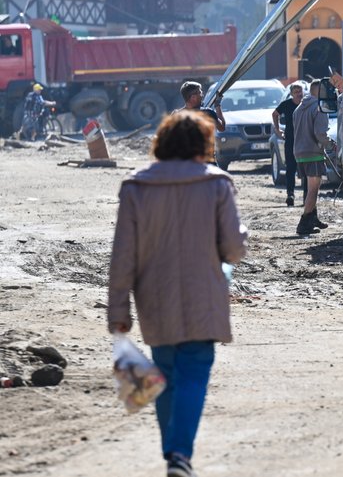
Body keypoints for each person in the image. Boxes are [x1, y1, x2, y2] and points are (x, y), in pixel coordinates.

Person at [107, 110, 247, 477]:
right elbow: (233, 250)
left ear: (162, 143)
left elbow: (123, 257)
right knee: (194, 374)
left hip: (154, 300)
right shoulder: (217, 185)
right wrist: (240, 237)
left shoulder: (136, 188)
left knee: (165, 373)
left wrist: (118, 311)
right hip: (204, 297)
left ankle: (174, 454)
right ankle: (179, 455)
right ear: (204, 145)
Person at [293, 80, 332, 235]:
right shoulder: (319, 108)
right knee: (313, 190)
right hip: (313, 153)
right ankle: (303, 224)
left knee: (311, 187)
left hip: (300, 153)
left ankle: (313, 218)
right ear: (320, 91)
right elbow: (320, 134)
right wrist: (330, 144)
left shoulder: (298, 108)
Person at [272, 81, 305, 207]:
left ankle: (306, 196)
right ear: (291, 94)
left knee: (305, 169)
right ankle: (290, 194)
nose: (298, 94)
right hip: (290, 140)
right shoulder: (286, 104)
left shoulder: (305, 104)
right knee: (290, 168)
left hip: (304, 140)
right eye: (296, 92)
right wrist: (277, 130)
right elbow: (275, 114)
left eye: (300, 92)